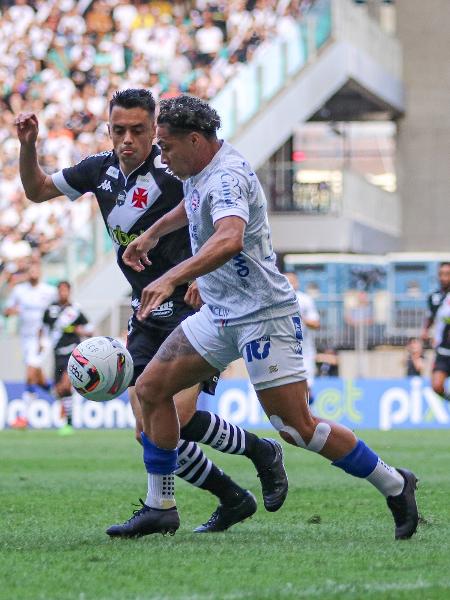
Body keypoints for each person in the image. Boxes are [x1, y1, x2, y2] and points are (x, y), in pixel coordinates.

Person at [122, 95, 419, 540]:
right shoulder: (199, 169)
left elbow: (229, 239)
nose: (160, 154)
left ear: (196, 139)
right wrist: (150, 234)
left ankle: (395, 482)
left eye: (165, 145)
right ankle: (160, 505)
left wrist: (172, 278)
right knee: (150, 390)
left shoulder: (225, 178)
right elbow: (192, 205)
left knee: (297, 429)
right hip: (220, 313)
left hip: (263, 315)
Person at [14, 89, 287, 535]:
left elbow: (216, 218)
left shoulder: (176, 167)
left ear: (154, 130)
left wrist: (202, 276)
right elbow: (37, 189)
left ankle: (253, 456)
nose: (127, 140)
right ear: (108, 129)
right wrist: (29, 146)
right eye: (118, 130)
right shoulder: (98, 170)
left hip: (196, 306)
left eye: (138, 131)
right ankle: (233, 495)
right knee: (149, 430)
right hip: (146, 308)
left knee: (172, 418)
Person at [3, 262, 56, 428]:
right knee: (37, 378)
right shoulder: (20, 291)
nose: (33, 272)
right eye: (31, 270)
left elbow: (57, 310)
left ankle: (23, 417)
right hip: (26, 339)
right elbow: (6, 310)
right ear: (28, 272)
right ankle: (60, 396)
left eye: (36, 270)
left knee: (30, 371)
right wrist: (13, 311)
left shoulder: (49, 291)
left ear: (40, 272)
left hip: (43, 339)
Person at [41, 280, 92, 435]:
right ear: (58, 291)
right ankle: (68, 421)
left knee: (65, 384)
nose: (63, 293)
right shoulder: (50, 309)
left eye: (66, 290)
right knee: (59, 390)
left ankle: (69, 422)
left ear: (69, 291)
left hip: (73, 352)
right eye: (61, 290)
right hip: (57, 352)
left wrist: (79, 330)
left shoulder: (75, 310)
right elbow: (43, 329)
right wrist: (41, 343)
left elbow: (89, 329)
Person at [284, 272, 320, 403]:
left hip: (304, 352)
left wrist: (299, 316)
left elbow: (315, 323)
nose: (290, 284)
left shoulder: (305, 300)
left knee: (306, 387)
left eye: (292, 281)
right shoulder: (275, 300)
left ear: (297, 282)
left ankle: (308, 417)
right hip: (282, 351)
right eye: (286, 281)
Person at [421, 262, 450, 400]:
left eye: (447, 274)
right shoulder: (434, 297)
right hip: (443, 350)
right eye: (441, 274)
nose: (443, 278)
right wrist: (425, 331)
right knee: (437, 385)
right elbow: (431, 317)